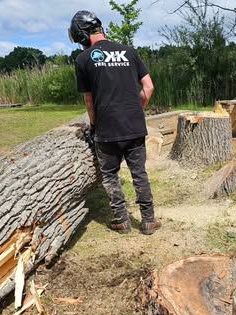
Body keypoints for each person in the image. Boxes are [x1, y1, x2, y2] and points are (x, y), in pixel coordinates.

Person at [69, 10, 160, 235]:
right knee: (139, 173)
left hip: (107, 129)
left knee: (110, 175)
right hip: (134, 126)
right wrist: (135, 110)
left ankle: (122, 220)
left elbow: (89, 100)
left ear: (81, 35)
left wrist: (94, 124)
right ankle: (148, 221)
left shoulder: (82, 59)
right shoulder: (129, 52)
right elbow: (148, 87)